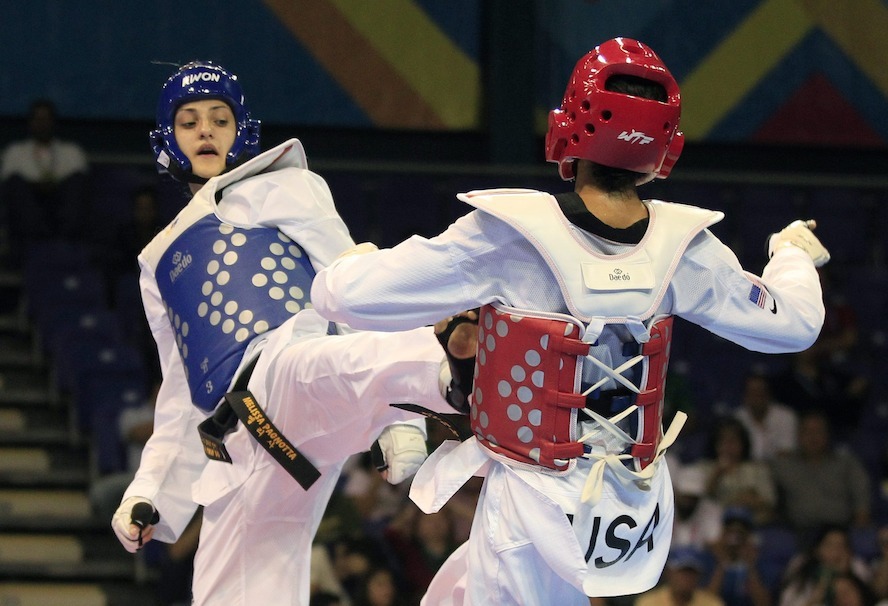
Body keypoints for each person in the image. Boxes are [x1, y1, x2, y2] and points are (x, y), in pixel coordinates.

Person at [310, 37, 829, 605]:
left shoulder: (508, 236)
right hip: (627, 503)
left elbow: (343, 299)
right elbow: (796, 323)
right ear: (663, 147)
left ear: (570, 125)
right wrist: (792, 253)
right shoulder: (688, 250)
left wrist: (352, 264)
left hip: (530, 504)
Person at [109, 61, 471, 605]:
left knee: (303, 368)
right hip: (236, 443)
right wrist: (148, 494)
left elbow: (351, 282)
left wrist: (400, 427)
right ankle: (441, 371)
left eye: (218, 118)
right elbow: (183, 395)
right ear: (167, 139)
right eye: (189, 122)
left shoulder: (282, 185)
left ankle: (461, 363)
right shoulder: (156, 260)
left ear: (242, 131)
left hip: (287, 364)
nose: (205, 130)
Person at [0, 98, 89, 254]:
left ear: (54, 122)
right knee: (17, 187)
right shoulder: (15, 152)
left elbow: (77, 184)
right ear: (30, 122)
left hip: (61, 211)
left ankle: (64, 247)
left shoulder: (72, 152)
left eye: (46, 119)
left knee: (76, 185)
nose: (42, 124)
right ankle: (37, 245)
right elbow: (11, 187)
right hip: (28, 215)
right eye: (37, 119)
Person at [769, 410, 872, 542]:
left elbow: (861, 488)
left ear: (827, 435)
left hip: (840, 531)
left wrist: (862, 513)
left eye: (818, 431)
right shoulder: (783, 466)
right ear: (798, 436)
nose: (813, 437)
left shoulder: (845, 462)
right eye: (807, 432)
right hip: (800, 533)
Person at [689, 417, 777, 526]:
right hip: (714, 526)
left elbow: (770, 502)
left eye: (733, 440)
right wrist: (717, 474)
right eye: (723, 441)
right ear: (715, 443)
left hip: (754, 525)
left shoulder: (758, 470)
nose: (728, 446)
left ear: (743, 443)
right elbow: (694, 501)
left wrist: (751, 501)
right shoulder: (703, 467)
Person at [778, 525, 872, 606]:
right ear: (817, 550)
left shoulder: (856, 566)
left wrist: (843, 575)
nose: (836, 552)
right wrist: (818, 593)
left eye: (841, 545)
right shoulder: (801, 575)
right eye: (830, 545)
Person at [705, 507, 772, 606]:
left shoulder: (760, 561)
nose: (735, 537)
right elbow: (704, 601)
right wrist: (722, 563)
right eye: (730, 529)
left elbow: (764, 603)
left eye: (741, 531)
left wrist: (750, 566)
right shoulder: (709, 558)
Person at [733, 372, 798, 462]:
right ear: (745, 396)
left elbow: (787, 453)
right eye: (752, 392)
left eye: (760, 391)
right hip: (746, 469)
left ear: (769, 394)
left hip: (779, 471)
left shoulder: (786, 417)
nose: (757, 396)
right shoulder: (736, 419)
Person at [635, 546, 725, 606]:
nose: (686, 578)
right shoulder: (649, 603)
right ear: (669, 573)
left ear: (699, 576)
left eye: (691, 573)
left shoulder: (712, 603)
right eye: (681, 572)